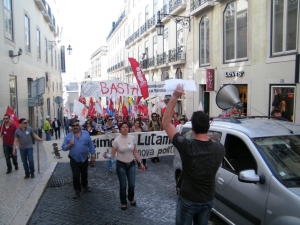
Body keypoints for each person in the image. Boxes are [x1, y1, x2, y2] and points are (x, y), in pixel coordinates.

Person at [162, 84, 225, 225]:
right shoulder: (220, 148)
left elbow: (166, 123)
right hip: (208, 199)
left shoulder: (187, 146)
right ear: (208, 127)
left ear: (193, 128)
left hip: (188, 199)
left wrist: (175, 96)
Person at [103, 121, 145, 210]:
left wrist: (140, 163)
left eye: (126, 127)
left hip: (131, 164)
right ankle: (123, 202)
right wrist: (107, 156)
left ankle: (131, 198)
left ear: (129, 128)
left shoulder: (132, 138)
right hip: (121, 165)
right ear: (120, 129)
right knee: (123, 185)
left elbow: (135, 152)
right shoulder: (116, 140)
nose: (125, 128)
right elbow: (112, 155)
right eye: (123, 127)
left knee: (132, 184)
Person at [62, 118, 96, 199]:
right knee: (76, 175)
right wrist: (69, 145)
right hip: (74, 159)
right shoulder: (69, 136)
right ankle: (77, 190)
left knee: (84, 174)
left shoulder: (86, 134)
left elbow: (90, 145)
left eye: (77, 125)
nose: (75, 127)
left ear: (79, 125)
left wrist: (93, 155)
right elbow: (63, 147)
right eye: (73, 126)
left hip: (84, 158)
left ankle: (85, 186)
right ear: (71, 127)